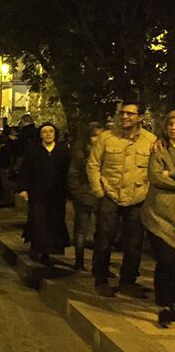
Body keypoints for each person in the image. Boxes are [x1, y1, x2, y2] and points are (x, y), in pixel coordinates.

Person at [87, 99, 157, 298]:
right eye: (123, 113)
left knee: (134, 243)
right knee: (104, 239)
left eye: (130, 114)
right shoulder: (107, 138)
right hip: (110, 195)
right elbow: (93, 165)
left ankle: (128, 281)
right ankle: (100, 278)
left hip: (137, 199)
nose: (125, 117)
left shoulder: (150, 141)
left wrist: (147, 194)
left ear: (140, 117)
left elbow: (154, 170)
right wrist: (99, 191)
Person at [17, 123, 71, 265]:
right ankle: (37, 249)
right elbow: (25, 170)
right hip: (37, 193)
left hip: (57, 195)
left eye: (51, 131)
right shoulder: (33, 150)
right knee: (38, 221)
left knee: (53, 222)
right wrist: (23, 189)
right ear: (40, 134)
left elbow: (68, 172)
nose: (48, 134)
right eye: (45, 131)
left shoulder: (62, 150)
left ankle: (49, 251)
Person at [142, 110, 175, 327]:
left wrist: (170, 174)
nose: (174, 127)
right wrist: (165, 176)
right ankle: (165, 305)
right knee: (166, 261)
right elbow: (155, 176)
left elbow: (165, 176)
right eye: (171, 123)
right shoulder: (159, 149)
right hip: (159, 214)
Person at [67, 123, 103, 270]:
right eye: (94, 136)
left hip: (101, 195)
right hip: (84, 195)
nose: (98, 139)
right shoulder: (80, 153)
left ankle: (100, 265)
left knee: (102, 231)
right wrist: (81, 194)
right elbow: (73, 176)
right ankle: (79, 262)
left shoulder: (106, 153)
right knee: (81, 229)